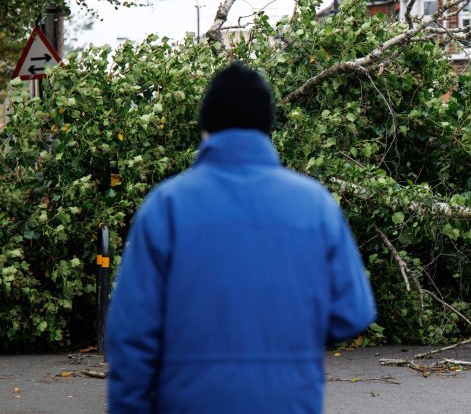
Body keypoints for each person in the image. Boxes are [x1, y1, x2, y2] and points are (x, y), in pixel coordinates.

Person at [106, 62, 376, 413]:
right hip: (290, 401)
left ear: (206, 128)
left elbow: (132, 333)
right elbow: (353, 313)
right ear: (267, 128)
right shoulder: (315, 204)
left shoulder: (166, 205)